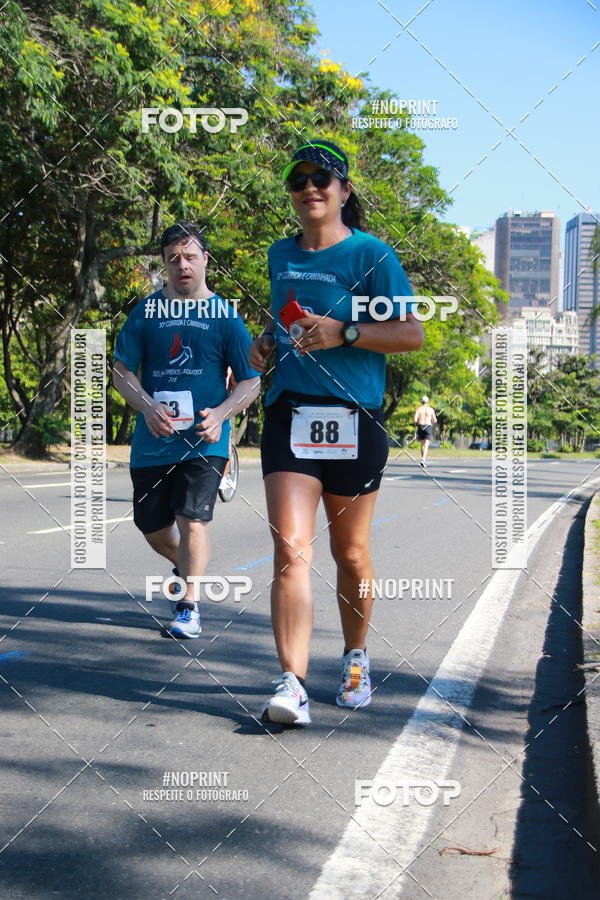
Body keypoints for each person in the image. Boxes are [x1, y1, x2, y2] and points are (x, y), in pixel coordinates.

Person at [249, 139, 424, 725]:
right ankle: (292, 684)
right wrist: (265, 344)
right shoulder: (280, 254)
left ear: (344, 190)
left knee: (349, 553)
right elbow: (282, 323)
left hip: (354, 418)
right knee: (290, 551)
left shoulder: (371, 256)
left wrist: (344, 332)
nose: (310, 189)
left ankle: (355, 656)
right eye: (299, 181)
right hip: (291, 413)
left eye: (323, 179)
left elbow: (409, 335)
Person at [113, 222, 260, 638]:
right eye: (173, 258)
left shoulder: (225, 317)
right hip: (153, 442)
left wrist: (221, 413)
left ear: (205, 260)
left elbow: (251, 381)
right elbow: (120, 373)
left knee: (193, 520)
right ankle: (187, 565)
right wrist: (147, 405)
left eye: (191, 256)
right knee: (153, 526)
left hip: (204, 441)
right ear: (164, 263)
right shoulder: (146, 313)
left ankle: (189, 607)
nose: (182, 265)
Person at [413, 395, 437, 468]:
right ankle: (423, 459)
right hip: (428, 426)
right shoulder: (430, 410)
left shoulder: (419, 409)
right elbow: (435, 420)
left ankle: (423, 459)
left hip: (420, 426)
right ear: (427, 402)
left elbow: (415, 420)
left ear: (421, 402)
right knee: (426, 444)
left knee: (422, 444)